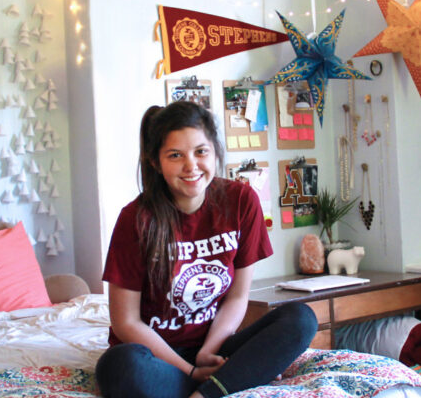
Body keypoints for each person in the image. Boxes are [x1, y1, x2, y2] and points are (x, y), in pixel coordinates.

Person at [95, 101, 317, 398]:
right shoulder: (136, 219)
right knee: (119, 366)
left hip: (215, 346)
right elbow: (125, 322)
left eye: (201, 152)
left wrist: (207, 353)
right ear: (154, 162)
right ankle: (221, 385)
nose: (191, 166)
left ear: (215, 152)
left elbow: (238, 297)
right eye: (175, 155)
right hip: (157, 356)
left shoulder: (241, 200)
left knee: (300, 319)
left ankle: (206, 393)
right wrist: (189, 371)